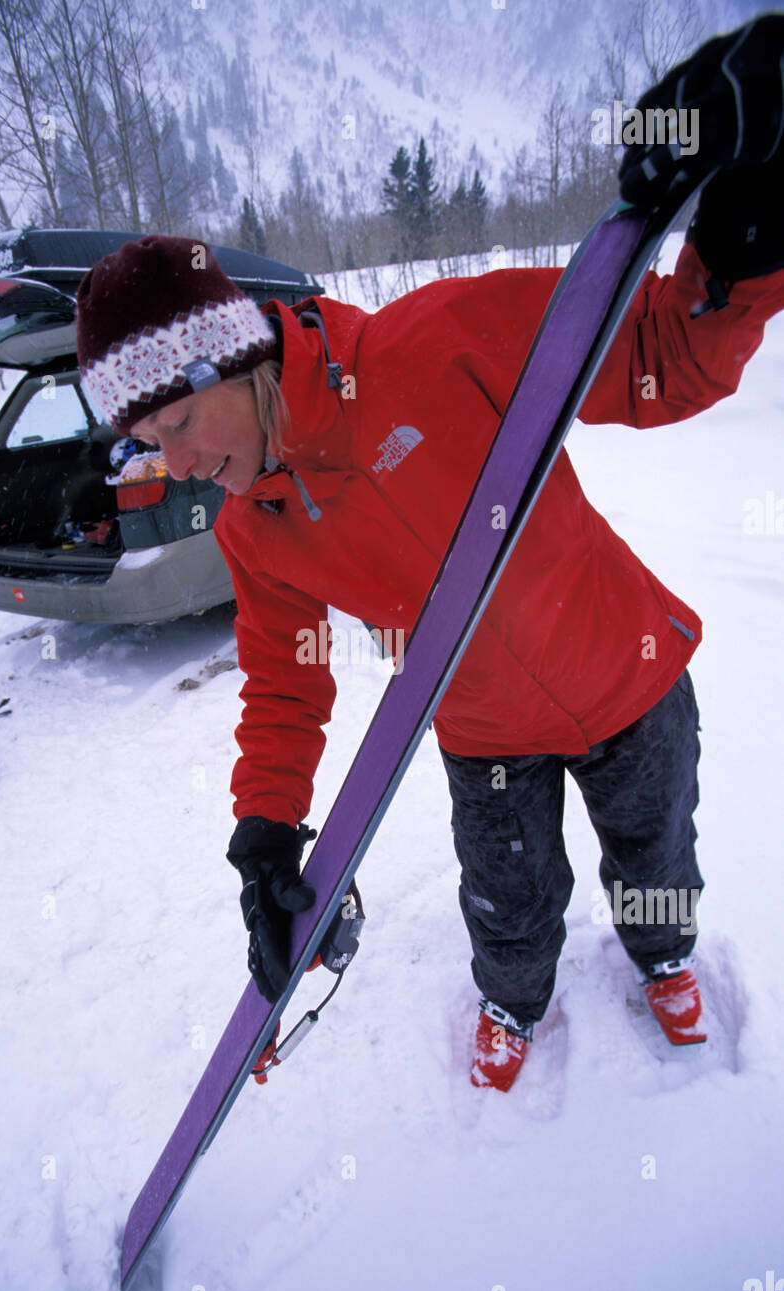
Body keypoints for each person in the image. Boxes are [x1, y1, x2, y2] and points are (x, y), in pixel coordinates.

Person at [76, 15, 784, 1092]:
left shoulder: (439, 343)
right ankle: (514, 998)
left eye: (177, 425)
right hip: (481, 728)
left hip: (627, 674)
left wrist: (744, 224)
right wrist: (265, 831)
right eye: (147, 443)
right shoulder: (251, 527)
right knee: (507, 897)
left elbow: (662, 357)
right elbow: (285, 675)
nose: (172, 464)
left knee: (658, 861)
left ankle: (665, 958)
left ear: (232, 359)